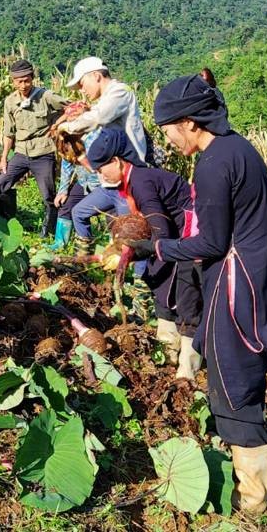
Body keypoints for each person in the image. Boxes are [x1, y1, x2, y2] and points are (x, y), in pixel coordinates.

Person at [122, 75, 267, 514]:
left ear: (191, 123)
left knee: (234, 384)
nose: (169, 140)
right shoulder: (240, 148)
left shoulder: (214, 163)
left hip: (239, 282)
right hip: (256, 274)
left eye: (169, 129)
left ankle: (253, 497)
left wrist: (155, 246)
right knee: (225, 361)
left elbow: (211, 243)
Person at [87, 128, 203, 379]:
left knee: (186, 296)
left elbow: (160, 233)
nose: (98, 175)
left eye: (100, 168)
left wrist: (129, 256)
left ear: (116, 161)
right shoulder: (132, 181)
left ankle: (187, 369)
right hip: (176, 237)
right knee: (158, 280)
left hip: (191, 237)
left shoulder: (141, 183)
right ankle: (167, 351)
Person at [56, 57, 148, 255]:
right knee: (79, 212)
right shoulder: (105, 99)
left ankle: (137, 280)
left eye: (82, 84)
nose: (82, 90)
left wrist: (68, 126)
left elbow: (98, 116)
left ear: (96, 76)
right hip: (110, 183)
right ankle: (84, 263)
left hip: (128, 180)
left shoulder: (121, 92)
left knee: (127, 233)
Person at [0, 59, 69, 236]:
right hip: (21, 152)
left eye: (27, 80)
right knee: (0, 183)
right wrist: (4, 158)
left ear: (32, 79)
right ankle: (9, 221)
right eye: (19, 81)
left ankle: (48, 232)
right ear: (13, 81)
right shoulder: (10, 102)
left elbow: (72, 107)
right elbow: (8, 132)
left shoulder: (45, 96)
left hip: (43, 152)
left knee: (48, 195)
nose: (23, 85)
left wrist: (55, 125)